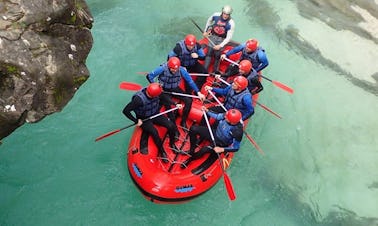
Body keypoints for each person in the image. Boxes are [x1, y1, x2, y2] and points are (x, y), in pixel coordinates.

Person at [122, 83, 181, 162]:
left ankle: (172, 144)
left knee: (170, 125)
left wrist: (175, 104)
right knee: (154, 132)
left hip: (154, 113)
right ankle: (162, 151)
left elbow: (164, 97)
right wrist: (136, 121)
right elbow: (125, 111)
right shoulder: (138, 100)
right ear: (153, 95)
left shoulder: (156, 92)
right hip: (143, 118)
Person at [146, 57, 206, 129]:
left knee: (189, 100)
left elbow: (190, 81)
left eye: (176, 69)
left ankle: (183, 121)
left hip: (174, 88)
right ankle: (174, 128)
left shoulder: (181, 70)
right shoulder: (162, 69)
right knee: (168, 106)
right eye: (172, 69)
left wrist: (198, 92)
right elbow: (149, 76)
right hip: (163, 90)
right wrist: (156, 85)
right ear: (169, 66)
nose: (174, 70)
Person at [203, 5, 235, 73]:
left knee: (218, 55)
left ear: (229, 14)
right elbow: (209, 21)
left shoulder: (231, 23)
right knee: (209, 53)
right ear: (222, 12)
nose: (225, 16)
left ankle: (215, 71)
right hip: (213, 36)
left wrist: (220, 46)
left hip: (221, 39)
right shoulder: (216, 15)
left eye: (227, 14)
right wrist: (205, 31)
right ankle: (204, 70)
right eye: (224, 13)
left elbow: (228, 37)